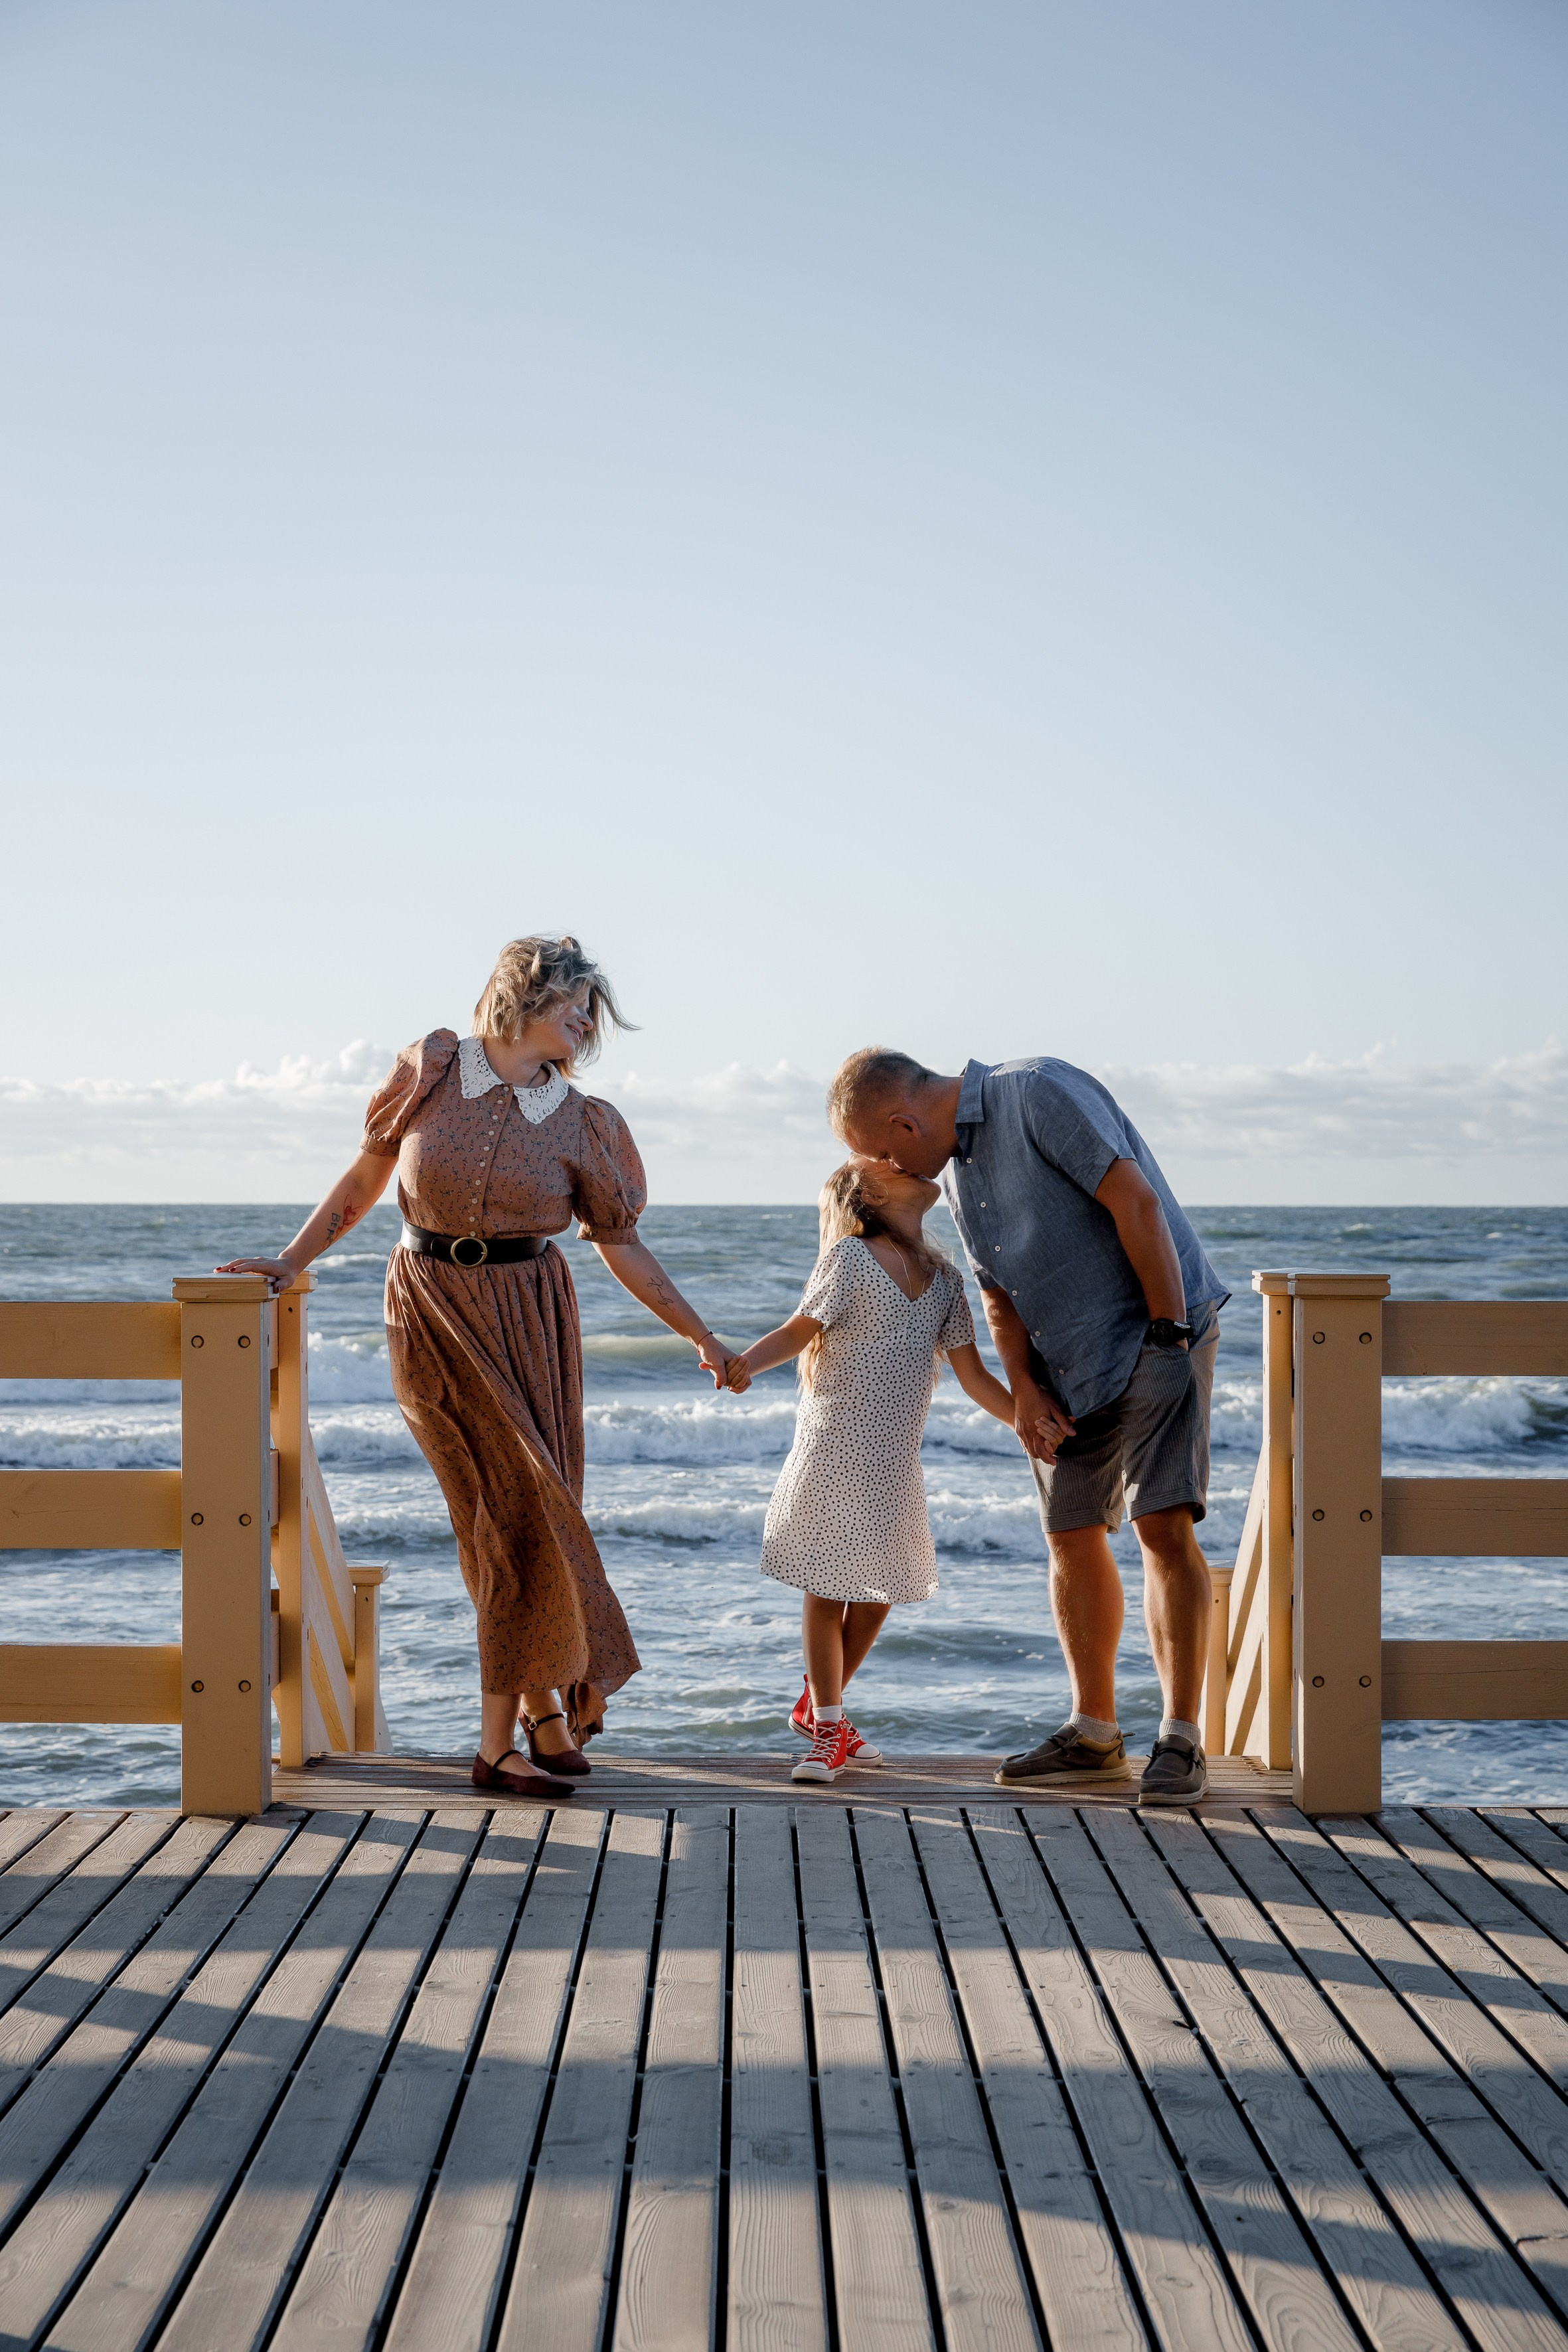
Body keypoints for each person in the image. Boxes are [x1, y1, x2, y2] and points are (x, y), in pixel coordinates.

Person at [218, 934, 747, 1798]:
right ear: (521, 996)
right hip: (428, 1306)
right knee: (496, 1511)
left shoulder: (583, 1119)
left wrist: (702, 1334)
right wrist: (290, 1260)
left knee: (533, 1511)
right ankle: (500, 1742)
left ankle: (533, 1717)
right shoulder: (432, 1065)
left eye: (591, 1007)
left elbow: (622, 1244)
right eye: (573, 1000)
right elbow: (368, 1170)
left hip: (531, 1317)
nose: (585, 1020)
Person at [828, 1046, 1228, 1806]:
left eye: (881, 1154)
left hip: (1154, 1329)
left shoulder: (1036, 1092)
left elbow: (1135, 1204)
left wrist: (1171, 1334)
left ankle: (1179, 1740)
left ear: (904, 1122)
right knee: (1070, 1533)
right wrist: (1023, 1390)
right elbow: (998, 1296)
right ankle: (1094, 1733)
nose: (890, 1172)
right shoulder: (957, 1173)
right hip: (1063, 1365)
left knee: (1160, 1526)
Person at [736, 1158, 1016, 1785]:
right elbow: (796, 1331)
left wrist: (1028, 1422)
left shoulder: (944, 1280)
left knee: (882, 1588)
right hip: (833, 1448)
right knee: (826, 1586)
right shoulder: (850, 1259)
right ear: (870, 1194)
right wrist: (744, 1363)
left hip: (893, 1462)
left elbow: (974, 1377)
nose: (907, 1165)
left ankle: (816, 1707)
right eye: (887, 1165)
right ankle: (829, 1727)